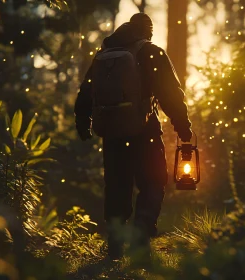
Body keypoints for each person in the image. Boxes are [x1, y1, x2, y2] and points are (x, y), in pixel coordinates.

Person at [74, 13, 193, 260]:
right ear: (147, 31)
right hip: (144, 131)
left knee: (117, 186)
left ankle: (115, 247)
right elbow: (171, 94)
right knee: (153, 182)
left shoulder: (103, 55)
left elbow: (86, 90)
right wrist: (183, 127)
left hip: (112, 132)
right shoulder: (150, 52)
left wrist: (82, 121)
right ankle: (140, 237)